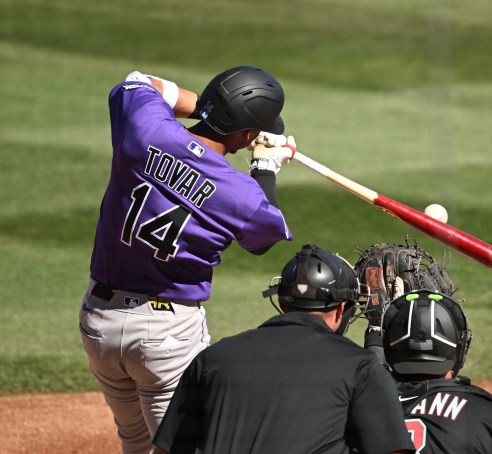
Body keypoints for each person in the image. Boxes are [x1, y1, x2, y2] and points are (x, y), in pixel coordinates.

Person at [79, 66, 296, 453]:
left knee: (137, 441)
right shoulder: (238, 194)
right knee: (186, 446)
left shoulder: (144, 130)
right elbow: (265, 235)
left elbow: (138, 81)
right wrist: (266, 164)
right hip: (165, 337)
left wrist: (211, 110)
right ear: (248, 135)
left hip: (99, 322)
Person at [152, 244, 415, 454]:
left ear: (281, 301)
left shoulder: (213, 358)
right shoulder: (359, 366)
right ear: (340, 310)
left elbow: (167, 448)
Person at [364, 288, 492, 453]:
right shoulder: (490, 417)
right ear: (459, 348)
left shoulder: (359, 409)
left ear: (389, 347)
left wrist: (374, 337)